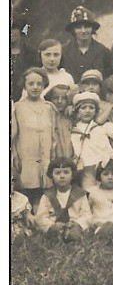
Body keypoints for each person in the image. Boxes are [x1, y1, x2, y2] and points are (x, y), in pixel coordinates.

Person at [12, 68, 59, 203]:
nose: (35, 87)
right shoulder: (18, 108)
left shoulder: (49, 107)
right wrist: (15, 156)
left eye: (39, 84)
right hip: (26, 155)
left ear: (44, 85)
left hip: (45, 155)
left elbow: (54, 134)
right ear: (24, 86)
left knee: (45, 191)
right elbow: (13, 136)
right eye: (31, 84)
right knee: (28, 189)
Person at [70, 91, 113, 191]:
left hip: (104, 164)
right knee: (89, 191)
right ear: (77, 111)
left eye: (91, 108)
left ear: (96, 111)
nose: (88, 111)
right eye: (83, 108)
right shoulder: (74, 129)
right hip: (86, 167)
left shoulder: (102, 126)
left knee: (106, 190)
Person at [34, 158, 91, 242]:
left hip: (73, 226)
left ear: (73, 175)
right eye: (57, 173)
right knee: (48, 237)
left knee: (75, 234)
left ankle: (72, 238)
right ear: (51, 175)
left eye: (66, 172)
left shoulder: (80, 194)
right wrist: (51, 225)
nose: (62, 176)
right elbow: (40, 217)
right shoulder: (47, 195)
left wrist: (78, 224)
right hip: (55, 227)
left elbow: (87, 215)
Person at [61, 6, 113, 82]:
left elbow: (111, 79)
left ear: (92, 28)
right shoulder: (63, 51)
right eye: (79, 27)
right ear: (73, 30)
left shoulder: (104, 51)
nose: (83, 31)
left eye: (87, 27)